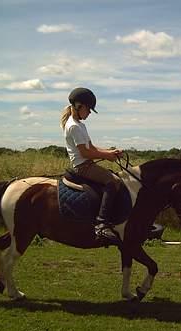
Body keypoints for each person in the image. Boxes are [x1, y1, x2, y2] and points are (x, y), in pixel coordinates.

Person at [60, 87, 123, 246]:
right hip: (82, 166)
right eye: (88, 109)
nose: (89, 113)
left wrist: (110, 151)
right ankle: (101, 223)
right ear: (78, 105)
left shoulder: (80, 125)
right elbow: (85, 153)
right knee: (113, 181)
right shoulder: (73, 126)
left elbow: (92, 148)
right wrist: (107, 156)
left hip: (87, 163)